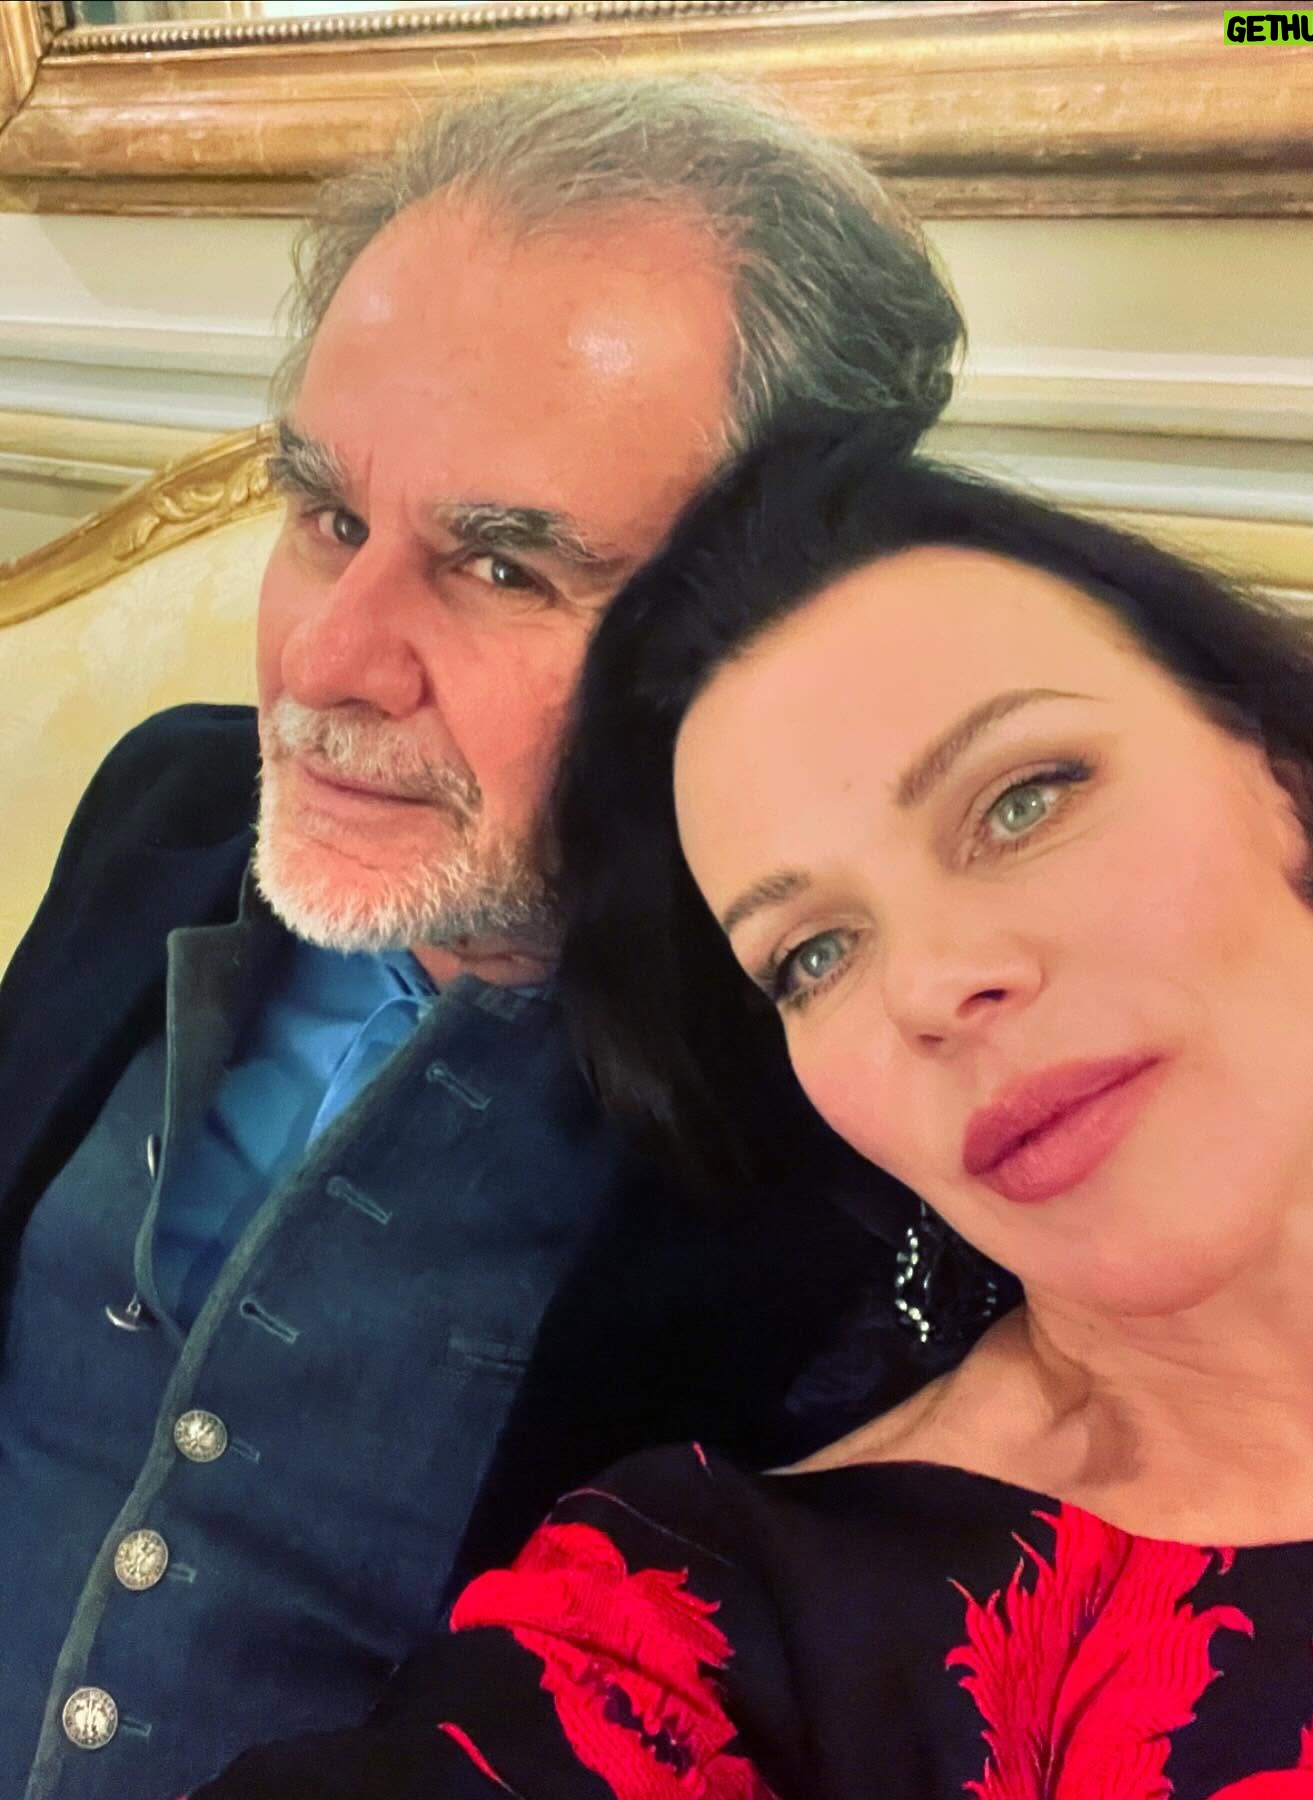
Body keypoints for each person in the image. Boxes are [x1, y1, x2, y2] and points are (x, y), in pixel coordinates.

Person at [190, 430, 1313, 1798]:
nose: (932, 986)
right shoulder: (723, 1620)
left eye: (1022, 801)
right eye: (814, 954)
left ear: (1294, 785)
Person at [0, 86, 964, 1798]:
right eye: (325, 515)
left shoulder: (863, 1124)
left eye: (503, 568)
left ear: (781, 611)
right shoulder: (164, 810)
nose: (327, 665)